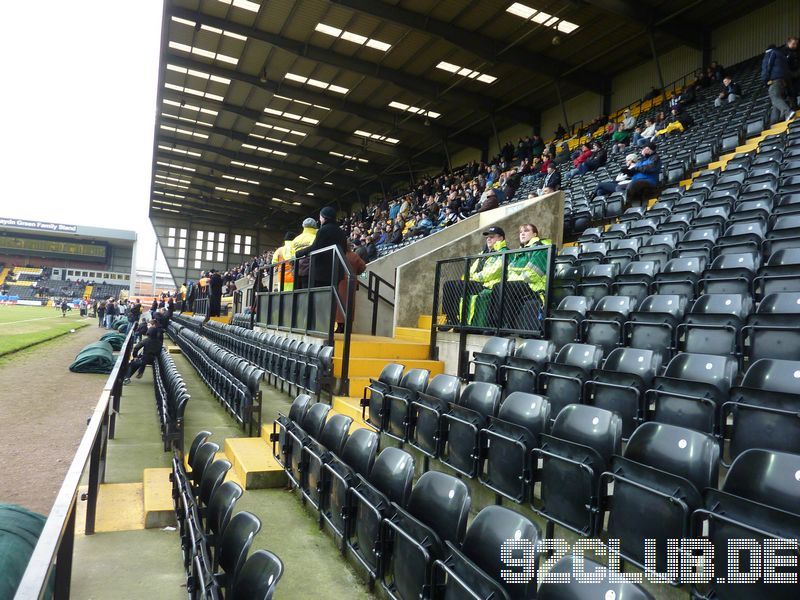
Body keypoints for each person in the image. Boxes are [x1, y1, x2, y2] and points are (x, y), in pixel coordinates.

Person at [294, 206, 348, 288]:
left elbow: (315, 247)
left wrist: (298, 253)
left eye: (320, 217)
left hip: (322, 273)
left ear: (324, 217)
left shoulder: (323, 230)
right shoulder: (341, 232)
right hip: (337, 272)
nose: (320, 219)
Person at [335, 242, 367, 333]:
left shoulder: (339, 254)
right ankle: (346, 327)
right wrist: (357, 272)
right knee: (349, 305)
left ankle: (339, 326)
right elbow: (363, 267)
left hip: (339, 281)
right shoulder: (354, 255)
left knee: (338, 304)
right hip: (351, 283)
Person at [762, 42, 796, 123]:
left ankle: (788, 112)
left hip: (775, 80)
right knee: (777, 100)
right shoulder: (782, 56)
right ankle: (774, 122)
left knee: (775, 97)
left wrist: (765, 80)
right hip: (785, 81)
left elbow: (766, 67)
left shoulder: (770, 53)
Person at [625, 142, 661, 207]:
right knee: (619, 187)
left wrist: (636, 169)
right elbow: (635, 171)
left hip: (649, 181)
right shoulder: (643, 160)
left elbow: (650, 168)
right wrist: (628, 172)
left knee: (633, 184)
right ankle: (634, 202)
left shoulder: (655, 157)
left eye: (643, 149)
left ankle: (627, 205)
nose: (641, 151)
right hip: (638, 181)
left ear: (648, 149)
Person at [291, 218, 318, 289]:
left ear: (303, 226)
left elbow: (291, 256)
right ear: (315, 226)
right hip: (310, 271)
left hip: (296, 271)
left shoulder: (295, 239)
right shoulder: (316, 237)